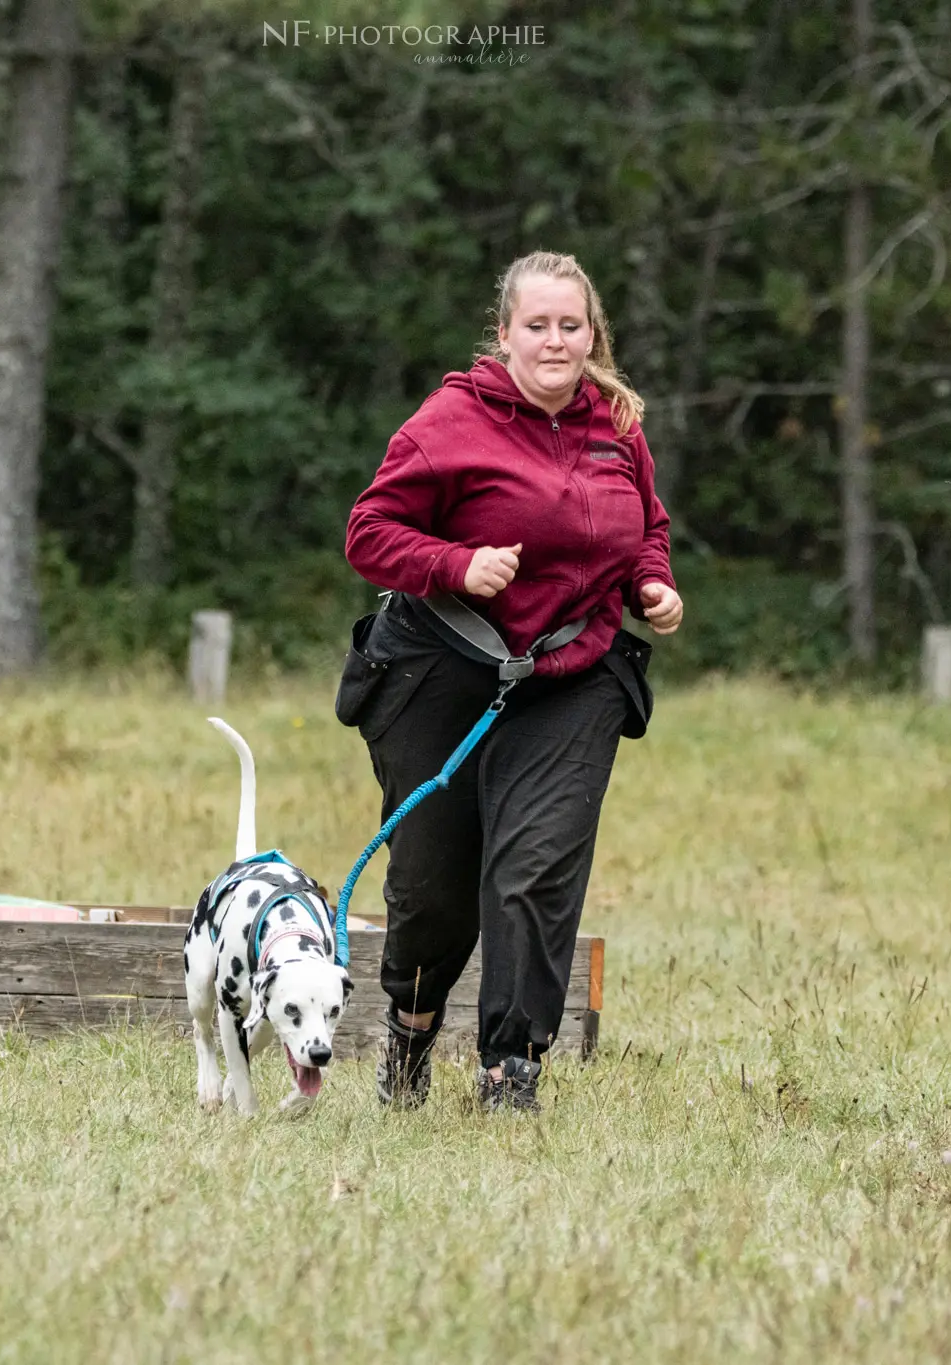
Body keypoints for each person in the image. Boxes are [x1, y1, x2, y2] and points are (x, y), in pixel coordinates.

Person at [335, 249, 683, 1112]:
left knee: (533, 870)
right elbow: (368, 532)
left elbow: (648, 525)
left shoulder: (617, 424)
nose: (556, 340)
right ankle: (409, 1042)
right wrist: (457, 562)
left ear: (592, 333)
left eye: (572, 325)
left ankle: (510, 1071)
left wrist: (652, 583)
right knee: (433, 891)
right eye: (538, 325)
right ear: (505, 335)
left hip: (573, 676)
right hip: (443, 668)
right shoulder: (451, 420)